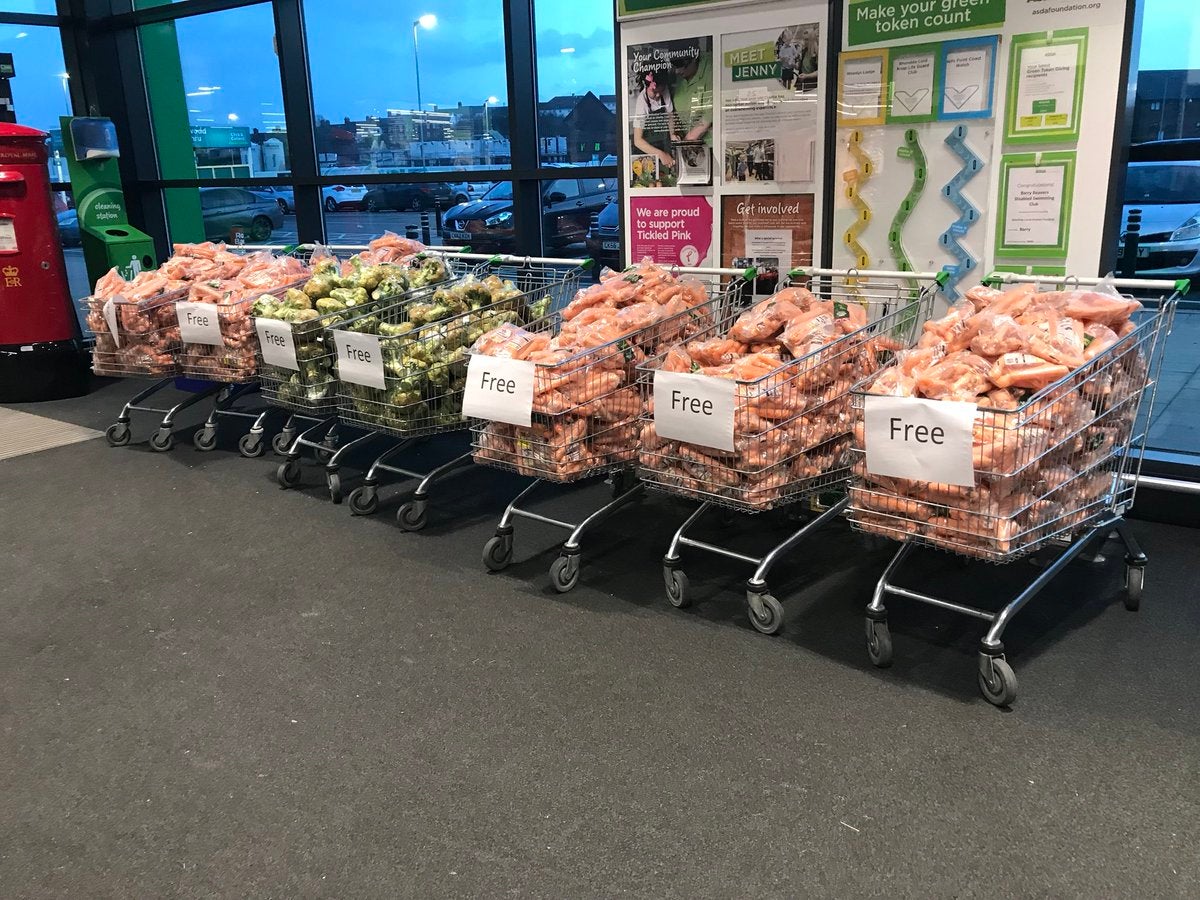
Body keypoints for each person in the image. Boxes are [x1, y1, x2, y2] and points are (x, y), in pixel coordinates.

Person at [631, 69, 677, 174]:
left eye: (661, 91)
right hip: (647, 148)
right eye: (655, 92)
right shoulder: (642, 102)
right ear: (646, 85)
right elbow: (637, 141)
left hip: (664, 142)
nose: (658, 95)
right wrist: (660, 154)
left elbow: (670, 116)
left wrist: (673, 134)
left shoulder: (663, 91)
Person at [670, 41, 713, 146]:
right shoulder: (675, 74)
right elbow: (669, 108)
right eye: (675, 66)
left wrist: (688, 139)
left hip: (709, 143)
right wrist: (674, 132)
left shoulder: (711, 69)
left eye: (682, 66)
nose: (677, 71)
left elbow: (711, 112)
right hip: (686, 140)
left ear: (694, 58)